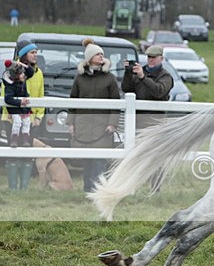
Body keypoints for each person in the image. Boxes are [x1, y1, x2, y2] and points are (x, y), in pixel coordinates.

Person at [67, 38, 121, 192]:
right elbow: (73, 101)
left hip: (102, 127)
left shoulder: (110, 78)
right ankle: (87, 190)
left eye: (102, 54)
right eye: (97, 54)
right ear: (89, 58)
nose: (101, 57)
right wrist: (71, 123)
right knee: (87, 160)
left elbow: (116, 103)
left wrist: (112, 124)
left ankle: (97, 191)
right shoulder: (79, 78)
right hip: (83, 125)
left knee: (99, 160)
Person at [2, 39, 45, 191]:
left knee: (27, 152)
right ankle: (12, 187)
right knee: (13, 151)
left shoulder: (38, 73)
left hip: (30, 118)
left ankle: (24, 188)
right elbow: (5, 94)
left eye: (36, 52)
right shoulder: (11, 71)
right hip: (12, 117)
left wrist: (39, 116)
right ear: (24, 55)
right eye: (32, 52)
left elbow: (40, 95)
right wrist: (8, 114)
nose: (35, 55)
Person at [122, 44, 173, 128]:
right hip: (137, 120)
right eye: (149, 57)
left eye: (154, 57)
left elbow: (159, 92)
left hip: (155, 122)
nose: (151, 60)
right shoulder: (140, 71)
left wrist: (143, 78)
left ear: (161, 59)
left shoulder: (165, 76)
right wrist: (128, 73)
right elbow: (126, 89)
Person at [2, 60, 32, 148]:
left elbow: (30, 72)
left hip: (24, 109)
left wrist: (24, 65)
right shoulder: (10, 86)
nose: (24, 75)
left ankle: (26, 140)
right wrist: (20, 102)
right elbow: (8, 99)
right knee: (17, 122)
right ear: (16, 76)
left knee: (26, 122)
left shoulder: (23, 82)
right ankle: (14, 139)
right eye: (21, 73)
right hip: (15, 109)